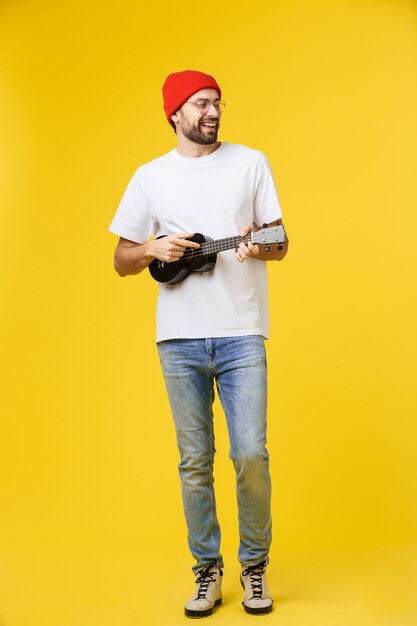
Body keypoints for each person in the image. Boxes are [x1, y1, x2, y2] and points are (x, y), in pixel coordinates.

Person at [109, 69, 288, 618]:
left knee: (250, 454)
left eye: (217, 103)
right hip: (178, 339)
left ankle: (254, 568)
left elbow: (280, 241)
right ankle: (206, 570)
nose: (213, 113)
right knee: (194, 461)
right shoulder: (149, 177)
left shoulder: (250, 162)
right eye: (201, 104)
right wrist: (152, 250)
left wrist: (259, 251)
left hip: (240, 332)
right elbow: (121, 260)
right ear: (175, 113)